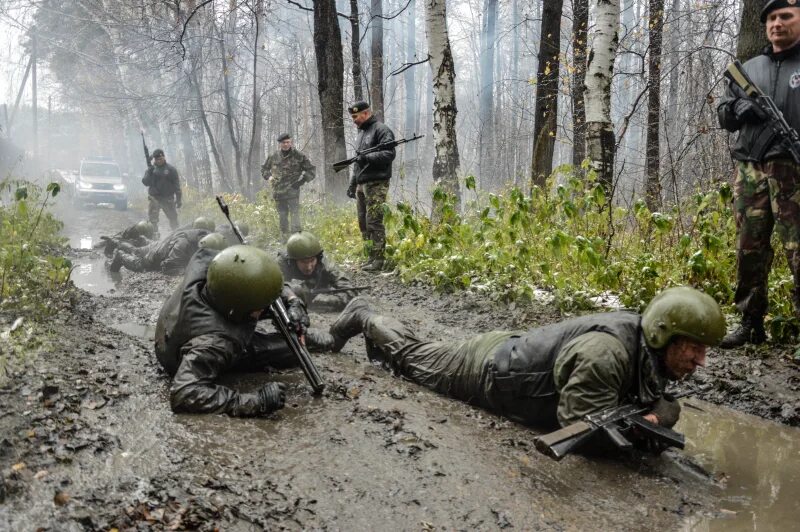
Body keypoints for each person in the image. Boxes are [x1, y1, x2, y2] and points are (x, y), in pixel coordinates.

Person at [325, 287, 725, 447]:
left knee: (420, 352)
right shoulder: (606, 355)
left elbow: (663, 401)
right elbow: (579, 432)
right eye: (694, 349)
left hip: (517, 357)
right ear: (664, 335)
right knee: (412, 357)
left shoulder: (648, 351)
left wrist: (656, 415)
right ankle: (362, 315)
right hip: (484, 368)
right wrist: (650, 427)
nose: (700, 361)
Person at [717, 0, 800, 348]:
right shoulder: (749, 68)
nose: (776, 24)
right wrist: (738, 106)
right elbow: (724, 114)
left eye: (785, 17)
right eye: (771, 18)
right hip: (750, 170)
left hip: (792, 170)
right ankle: (750, 323)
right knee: (750, 248)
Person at [154, 244, 311, 416]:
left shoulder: (208, 264)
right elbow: (184, 394)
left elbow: (244, 265)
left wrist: (292, 299)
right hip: (184, 351)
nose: (264, 308)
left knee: (293, 297)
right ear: (238, 309)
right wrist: (255, 401)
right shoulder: (216, 344)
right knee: (289, 349)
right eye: (259, 307)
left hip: (180, 323)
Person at [346, 101, 396, 272]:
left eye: (355, 116)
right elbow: (357, 162)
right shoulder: (361, 133)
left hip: (376, 183)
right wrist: (353, 184)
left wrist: (368, 158)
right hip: (362, 183)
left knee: (374, 220)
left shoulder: (381, 129)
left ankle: (378, 260)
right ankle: (370, 257)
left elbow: (389, 154)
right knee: (363, 222)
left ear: (365, 113)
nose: (353, 120)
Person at [278, 231, 356, 312]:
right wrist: (292, 298)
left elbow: (350, 291)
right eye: (303, 262)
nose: (308, 267)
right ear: (293, 261)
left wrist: (331, 299)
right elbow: (275, 291)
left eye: (312, 260)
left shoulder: (325, 263)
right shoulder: (283, 263)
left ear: (317, 258)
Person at [261, 134, 316, 241]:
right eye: (283, 143)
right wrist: (269, 177)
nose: (286, 144)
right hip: (278, 191)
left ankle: (297, 239)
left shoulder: (298, 156)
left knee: (295, 213)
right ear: (280, 144)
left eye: (288, 142)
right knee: (282, 214)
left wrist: (301, 181)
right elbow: (264, 169)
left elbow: (311, 170)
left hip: (293, 190)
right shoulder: (273, 156)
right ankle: (284, 238)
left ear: (291, 142)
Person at [108, 225, 214, 275]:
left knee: (137, 251)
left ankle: (121, 243)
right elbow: (169, 267)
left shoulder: (205, 236)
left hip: (162, 245)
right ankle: (120, 255)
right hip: (156, 254)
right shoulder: (184, 244)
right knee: (138, 265)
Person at [142, 148, 182, 234]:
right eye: (157, 159)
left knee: (173, 218)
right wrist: (149, 172)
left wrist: (179, 199)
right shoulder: (151, 169)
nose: (159, 161)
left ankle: (176, 234)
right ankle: (154, 236)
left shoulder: (171, 169)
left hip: (168, 198)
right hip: (155, 198)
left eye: (160, 159)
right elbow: (145, 182)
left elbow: (177, 186)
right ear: (154, 160)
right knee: (153, 220)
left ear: (164, 157)